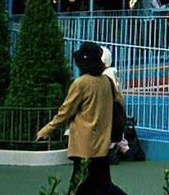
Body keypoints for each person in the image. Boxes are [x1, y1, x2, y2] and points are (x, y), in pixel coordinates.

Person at [36, 41, 127, 195]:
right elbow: (118, 103)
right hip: (102, 142)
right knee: (99, 184)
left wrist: (47, 129)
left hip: (84, 144)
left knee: (82, 185)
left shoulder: (81, 83)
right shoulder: (106, 81)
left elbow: (65, 111)